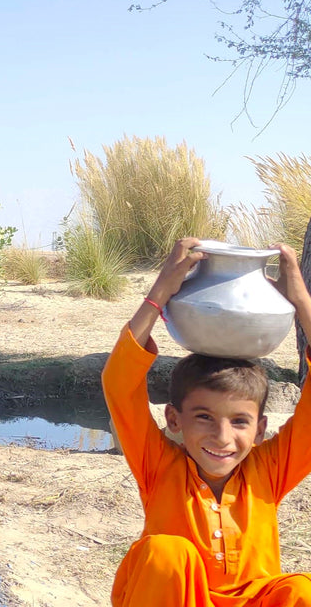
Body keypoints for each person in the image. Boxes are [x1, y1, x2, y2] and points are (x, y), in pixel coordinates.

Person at [103, 237, 311, 606]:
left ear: (260, 429)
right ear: (173, 419)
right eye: (204, 417)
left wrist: (301, 302)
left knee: (300, 591)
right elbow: (119, 385)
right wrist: (160, 292)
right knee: (166, 554)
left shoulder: (270, 470)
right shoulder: (159, 466)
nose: (222, 436)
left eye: (240, 422)